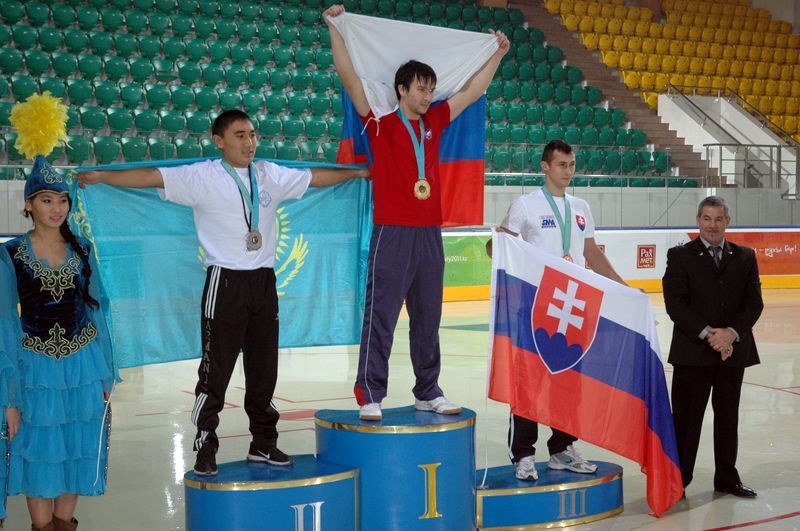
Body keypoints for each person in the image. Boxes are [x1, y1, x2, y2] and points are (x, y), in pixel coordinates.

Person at [77, 109, 369, 477]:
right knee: (215, 372)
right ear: (219, 141)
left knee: (264, 371)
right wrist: (104, 176)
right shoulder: (201, 177)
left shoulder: (270, 175)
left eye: (252, 135)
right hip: (224, 283)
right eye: (240, 135)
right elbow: (151, 176)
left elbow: (314, 178)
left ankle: (263, 443)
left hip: (263, 282)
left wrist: (356, 173)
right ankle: (205, 443)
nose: (249, 142)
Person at [324, 4, 510, 421]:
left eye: (431, 88)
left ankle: (429, 389)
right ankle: (370, 391)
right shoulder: (379, 123)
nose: (429, 95)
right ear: (402, 89)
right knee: (382, 316)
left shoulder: (437, 120)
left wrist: (496, 53)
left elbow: (472, 92)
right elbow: (349, 76)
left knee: (429, 317)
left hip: (429, 233)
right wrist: (335, 27)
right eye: (421, 88)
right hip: (392, 232)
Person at [488, 140, 627, 481]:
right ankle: (523, 454)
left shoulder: (581, 207)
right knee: (529, 384)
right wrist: (501, 243)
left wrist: (625, 288)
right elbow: (495, 248)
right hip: (534, 308)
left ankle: (562, 449)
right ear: (545, 166)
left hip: (573, 306)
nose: (568, 171)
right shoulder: (525, 205)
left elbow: (591, 253)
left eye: (572, 165)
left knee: (568, 384)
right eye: (562, 164)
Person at [1, 156, 117, 531]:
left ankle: (64, 524)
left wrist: (105, 374)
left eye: (63, 200)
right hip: (34, 368)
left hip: (83, 365)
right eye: (47, 199)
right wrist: (10, 395)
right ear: (29, 204)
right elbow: (4, 322)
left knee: (76, 449)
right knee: (40, 455)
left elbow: (98, 310)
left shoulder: (83, 248)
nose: (57, 208)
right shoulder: (11, 254)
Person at [662, 195, 763, 498]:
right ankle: (678, 480)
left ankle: (727, 478)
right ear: (698, 221)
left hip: (732, 354)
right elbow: (675, 305)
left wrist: (731, 334)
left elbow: (753, 303)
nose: (712, 225)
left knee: (728, 419)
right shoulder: (679, 256)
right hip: (693, 354)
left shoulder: (745, 256)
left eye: (718, 219)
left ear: (727, 222)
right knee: (686, 422)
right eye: (707, 218)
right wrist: (711, 335)